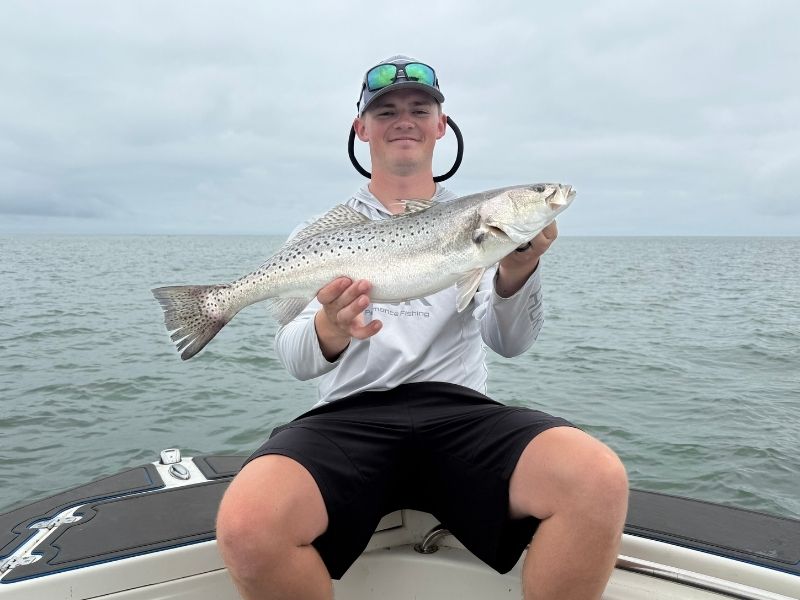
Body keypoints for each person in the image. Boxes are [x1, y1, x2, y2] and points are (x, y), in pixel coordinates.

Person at [216, 54, 629, 600]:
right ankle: (212, 306)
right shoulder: (322, 236)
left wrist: (517, 269)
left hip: (459, 413)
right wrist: (331, 328)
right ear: (361, 129)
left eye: (419, 108)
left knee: (596, 479)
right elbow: (294, 360)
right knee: (248, 524)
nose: (403, 120)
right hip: (348, 414)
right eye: (385, 111)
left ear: (442, 125)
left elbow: (509, 343)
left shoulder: (480, 225)